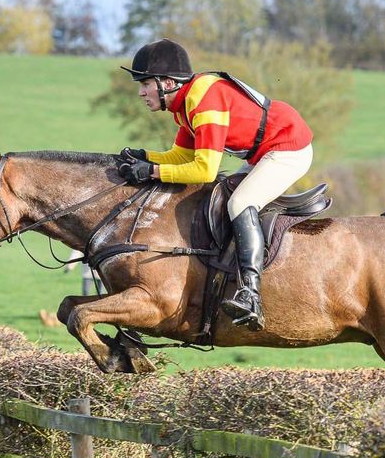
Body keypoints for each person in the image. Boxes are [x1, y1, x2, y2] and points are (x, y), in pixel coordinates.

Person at [117, 38, 314, 331]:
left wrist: (153, 172)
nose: (141, 92)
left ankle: (250, 294)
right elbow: (181, 156)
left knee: (239, 203)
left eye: (145, 84)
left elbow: (205, 170)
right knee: (221, 201)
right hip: (263, 151)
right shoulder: (184, 104)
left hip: (288, 147)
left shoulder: (203, 101)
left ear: (168, 83)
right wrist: (146, 157)